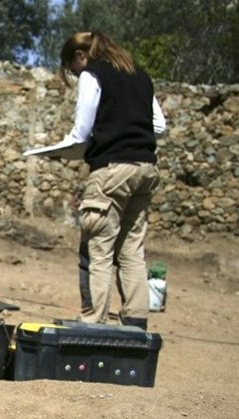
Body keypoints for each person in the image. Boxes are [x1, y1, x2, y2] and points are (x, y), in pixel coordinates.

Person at [59, 31, 167, 330]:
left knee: (100, 249)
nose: (75, 74)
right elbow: (159, 125)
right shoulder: (140, 76)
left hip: (111, 170)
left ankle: (94, 322)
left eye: (72, 68)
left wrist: (63, 151)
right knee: (132, 249)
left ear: (81, 56)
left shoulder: (92, 75)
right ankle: (136, 321)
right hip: (146, 169)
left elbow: (81, 131)